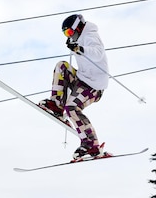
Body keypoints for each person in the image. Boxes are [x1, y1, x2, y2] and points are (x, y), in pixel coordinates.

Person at [39, 14, 109, 160]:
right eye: (66, 34)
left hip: (94, 87)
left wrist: (80, 48)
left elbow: (98, 54)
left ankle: (91, 144)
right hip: (83, 79)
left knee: (71, 108)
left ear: (78, 27)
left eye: (69, 32)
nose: (69, 36)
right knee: (62, 66)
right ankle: (57, 104)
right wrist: (76, 46)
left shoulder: (90, 35)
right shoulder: (77, 39)